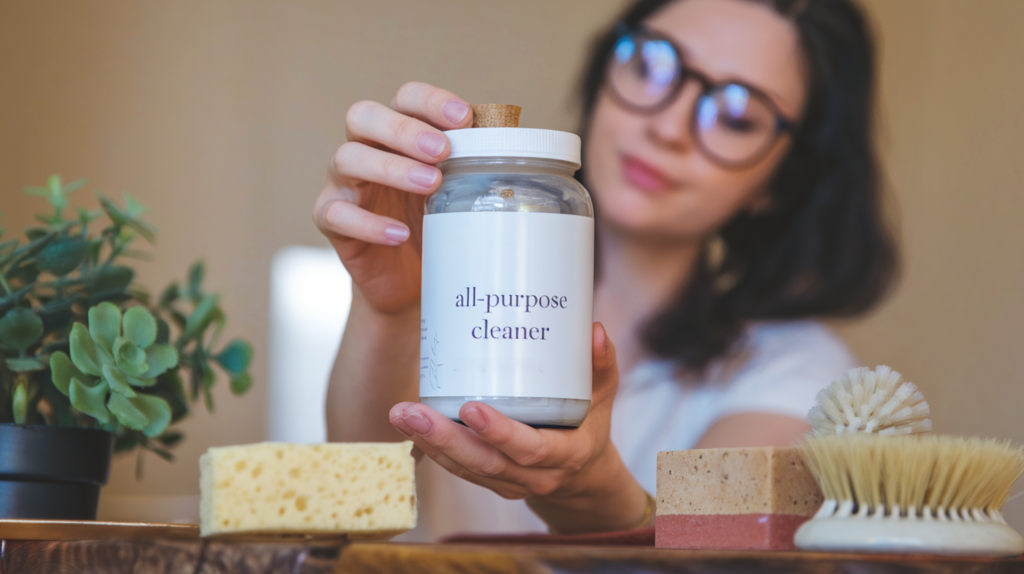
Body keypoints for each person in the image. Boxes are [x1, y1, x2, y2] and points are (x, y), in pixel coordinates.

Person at [313, 0, 896, 540]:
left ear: (783, 180)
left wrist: (591, 492)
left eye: (737, 115)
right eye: (653, 64)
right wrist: (390, 312)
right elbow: (348, 502)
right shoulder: (458, 289)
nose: (667, 127)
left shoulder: (796, 372)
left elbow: (713, 553)